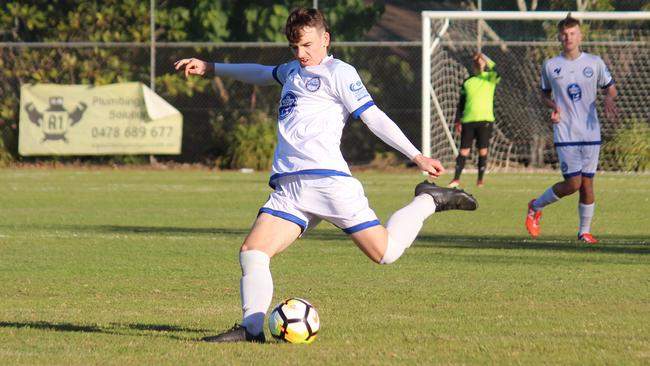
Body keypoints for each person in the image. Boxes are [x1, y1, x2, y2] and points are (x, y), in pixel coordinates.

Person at [174, 8, 478, 343]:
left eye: (306, 45)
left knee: (386, 253)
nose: (301, 54)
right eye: (295, 48)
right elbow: (261, 72)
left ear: (325, 39)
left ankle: (428, 200)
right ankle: (251, 329)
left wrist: (416, 155)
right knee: (253, 251)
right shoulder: (291, 70)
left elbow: (373, 117)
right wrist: (211, 67)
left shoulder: (339, 72)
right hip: (290, 187)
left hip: (327, 182)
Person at [526, 14, 617, 244]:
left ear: (580, 35)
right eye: (565, 34)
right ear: (560, 37)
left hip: (591, 133)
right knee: (573, 184)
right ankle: (535, 206)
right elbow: (544, 95)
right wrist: (553, 106)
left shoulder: (594, 62)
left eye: (572, 33)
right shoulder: (551, 65)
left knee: (587, 184)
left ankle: (584, 232)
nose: (568, 38)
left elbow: (611, 88)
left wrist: (609, 99)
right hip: (565, 132)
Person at [448, 52, 500, 188]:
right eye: (477, 61)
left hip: (485, 120)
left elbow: (498, 70)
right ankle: (456, 179)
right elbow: (461, 103)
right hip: (468, 121)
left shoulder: (490, 78)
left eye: (481, 61)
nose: (479, 63)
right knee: (464, 150)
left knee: (483, 150)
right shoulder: (468, 82)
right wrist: (457, 120)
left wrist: (485, 57)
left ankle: (480, 180)